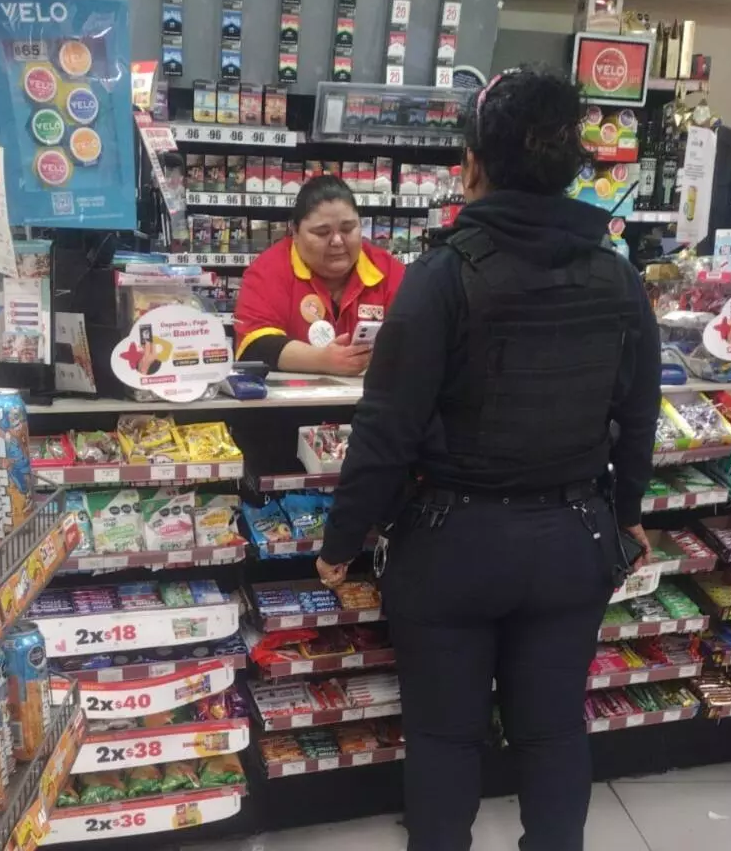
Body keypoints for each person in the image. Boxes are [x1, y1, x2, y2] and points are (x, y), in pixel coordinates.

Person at [316, 67, 661, 851]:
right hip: (573, 538)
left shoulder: (443, 275)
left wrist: (341, 541)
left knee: (444, 738)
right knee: (552, 731)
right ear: (572, 164)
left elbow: (386, 430)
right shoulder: (616, 275)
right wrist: (629, 512)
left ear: (472, 164)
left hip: (452, 545)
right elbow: (638, 413)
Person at [234, 175, 405, 374]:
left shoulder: (389, 270)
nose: (337, 241)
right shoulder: (268, 270)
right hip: (292, 393)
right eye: (322, 233)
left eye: (348, 229)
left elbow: (417, 337)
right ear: (295, 232)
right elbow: (254, 345)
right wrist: (322, 360)